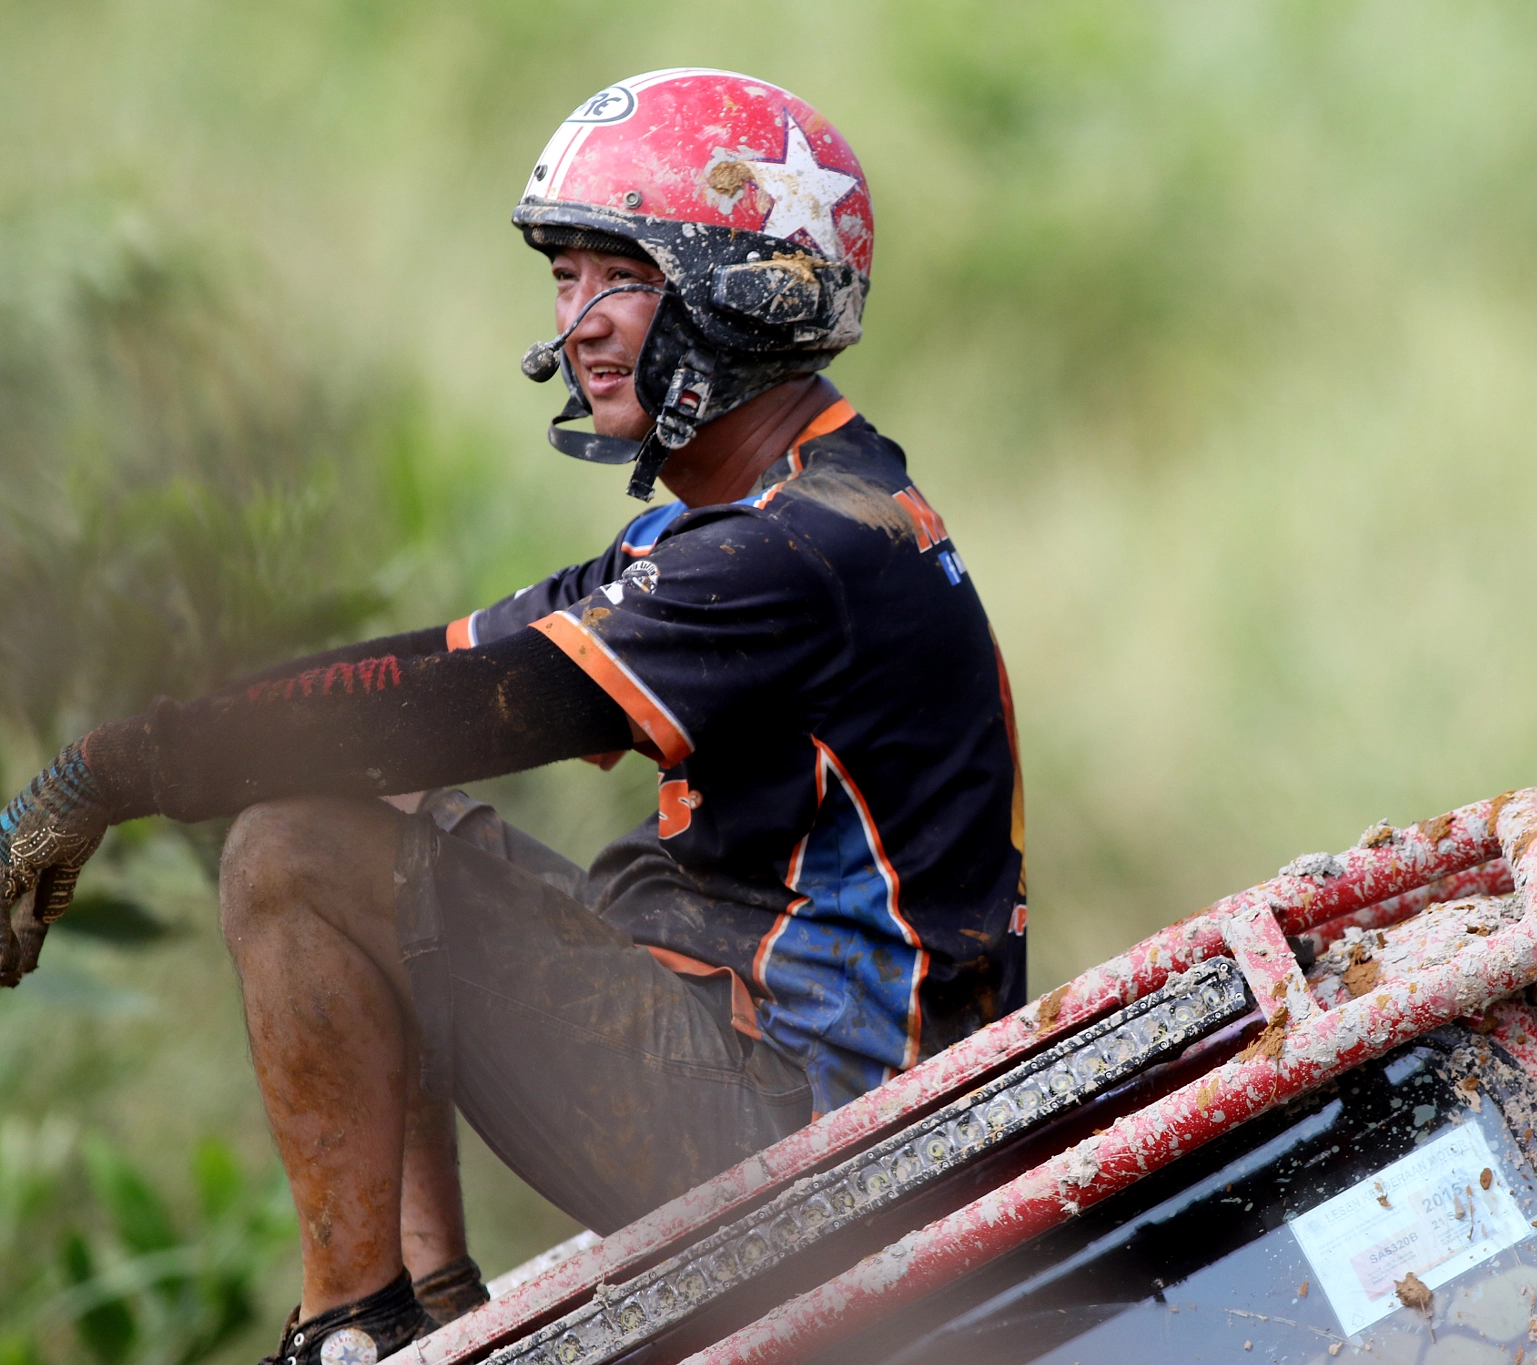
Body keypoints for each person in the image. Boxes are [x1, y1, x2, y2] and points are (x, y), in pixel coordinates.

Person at [0, 69, 1027, 1365]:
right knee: (360, 797)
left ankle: (347, 1333)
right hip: (817, 1111)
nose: (578, 326)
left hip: (821, 1146)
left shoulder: (794, 554)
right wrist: (131, 756)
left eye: (619, 277)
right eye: (565, 278)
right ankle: (421, 1305)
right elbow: (416, 671)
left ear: (748, 289)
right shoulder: (784, 518)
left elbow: (461, 706)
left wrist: (106, 775)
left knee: (295, 847)